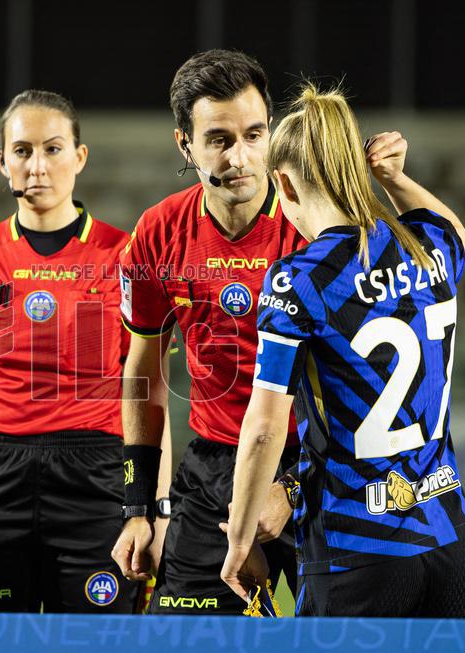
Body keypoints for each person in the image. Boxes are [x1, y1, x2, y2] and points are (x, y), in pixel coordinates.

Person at [221, 83, 465, 618]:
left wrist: (240, 539)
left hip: (356, 549)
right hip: (449, 538)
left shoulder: (300, 280)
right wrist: (394, 179)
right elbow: (456, 230)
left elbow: (267, 426)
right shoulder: (428, 245)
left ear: (283, 185)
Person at [0, 89, 169, 613]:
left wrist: (155, 510)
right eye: (23, 151)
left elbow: (147, 391)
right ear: (1, 162)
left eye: (53, 149)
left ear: (80, 156)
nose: (38, 166)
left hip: (96, 478)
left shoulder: (126, 256)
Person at [112, 49, 306, 615]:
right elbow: (143, 371)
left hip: (315, 468)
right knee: (181, 643)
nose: (241, 157)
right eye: (219, 139)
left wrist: (291, 487)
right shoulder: (157, 233)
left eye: (254, 134)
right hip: (214, 468)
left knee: (342, 646)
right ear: (185, 144)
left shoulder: (315, 227)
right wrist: (137, 508)